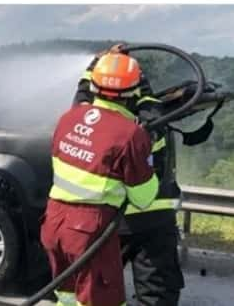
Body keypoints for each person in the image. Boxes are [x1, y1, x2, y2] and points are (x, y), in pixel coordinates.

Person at [41, 51, 159, 306]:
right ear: (134, 92)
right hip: (89, 230)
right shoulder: (130, 133)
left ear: (93, 84)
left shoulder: (68, 118)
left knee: (67, 297)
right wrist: (148, 156)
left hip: (54, 224)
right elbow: (143, 198)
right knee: (103, 301)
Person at [75, 46, 185, 306]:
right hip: (155, 219)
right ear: (135, 89)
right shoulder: (150, 119)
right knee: (158, 294)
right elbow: (146, 99)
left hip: (110, 221)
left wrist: (99, 62)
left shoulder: (86, 121)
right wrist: (132, 71)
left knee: (98, 293)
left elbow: (81, 94)